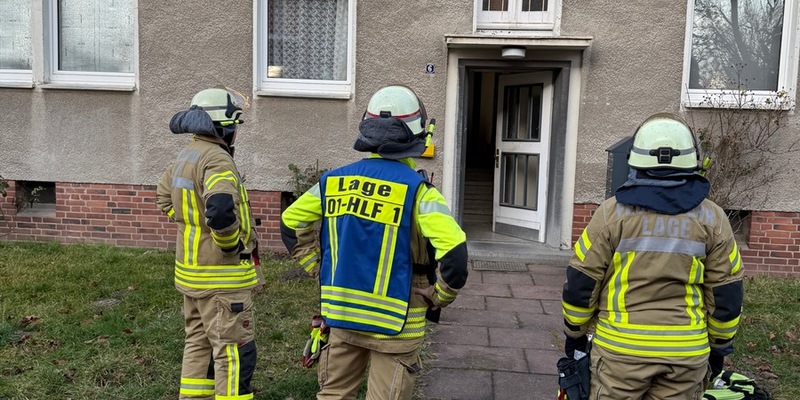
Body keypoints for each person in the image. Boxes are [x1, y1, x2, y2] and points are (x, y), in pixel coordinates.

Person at [280, 85, 469, 400]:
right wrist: (439, 296)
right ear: (416, 136)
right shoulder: (420, 193)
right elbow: (456, 256)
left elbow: (290, 221)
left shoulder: (334, 182)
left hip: (341, 316)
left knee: (335, 394)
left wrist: (318, 267)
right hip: (398, 324)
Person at [561, 113, 745, 400]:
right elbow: (726, 294)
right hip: (685, 354)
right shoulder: (714, 219)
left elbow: (581, 282)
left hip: (620, 353)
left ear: (635, 161)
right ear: (692, 161)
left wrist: (575, 334)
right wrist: (720, 347)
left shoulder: (611, 215)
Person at [156, 87, 260, 400]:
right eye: (235, 127)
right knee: (235, 352)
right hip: (221, 280)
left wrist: (192, 220)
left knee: (198, 345)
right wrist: (228, 246)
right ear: (224, 127)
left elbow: (164, 196)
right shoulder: (218, 160)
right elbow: (220, 210)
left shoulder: (188, 153)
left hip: (191, 276)